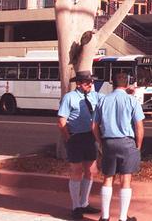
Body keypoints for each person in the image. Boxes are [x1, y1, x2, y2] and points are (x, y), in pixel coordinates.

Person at [92, 72, 145, 221]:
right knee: (125, 179)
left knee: (108, 178)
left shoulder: (103, 100)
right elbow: (139, 126)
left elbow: (94, 125)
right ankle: (122, 217)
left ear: (112, 84)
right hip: (127, 142)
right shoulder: (132, 101)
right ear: (127, 84)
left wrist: (101, 143)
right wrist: (138, 146)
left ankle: (105, 216)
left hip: (108, 141)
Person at [57, 70, 102, 220]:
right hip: (75, 138)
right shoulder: (69, 98)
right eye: (86, 82)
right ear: (78, 83)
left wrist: (126, 93)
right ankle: (75, 207)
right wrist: (68, 139)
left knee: (90, 171)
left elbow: (111, 100)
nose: (90, 84)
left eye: (91, 81)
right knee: (76, 171)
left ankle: (84, 203)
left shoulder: (95, 96)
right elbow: (61, 121)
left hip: (90, 137)